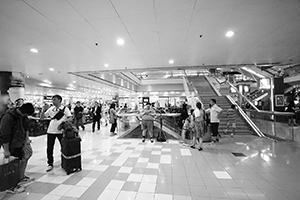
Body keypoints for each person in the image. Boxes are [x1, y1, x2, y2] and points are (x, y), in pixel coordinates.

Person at [0, 103, 35, 194]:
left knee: (21, 160)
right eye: (26, 115)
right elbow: (5, 135)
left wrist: (26, 139)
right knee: (12, 165)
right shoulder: (8, 118)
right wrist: (6, 150)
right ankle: (11, 186)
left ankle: (20, 178)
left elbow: (26, 126)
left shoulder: (22, 116)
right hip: (12, 145)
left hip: (20, 143)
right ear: (23, 111)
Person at [41, 95, 72, 172]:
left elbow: (70, 117)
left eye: (54, 99)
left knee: (64, 147)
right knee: (49, 147)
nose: (53, 101)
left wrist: (64, 123)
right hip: (51, 131)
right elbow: (42, 118)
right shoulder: (51, 109)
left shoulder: (65, 109)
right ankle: (50, 163)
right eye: (52, 99)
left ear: (59, 100)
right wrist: (43, 110)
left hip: (61, 131)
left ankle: (64, 161)